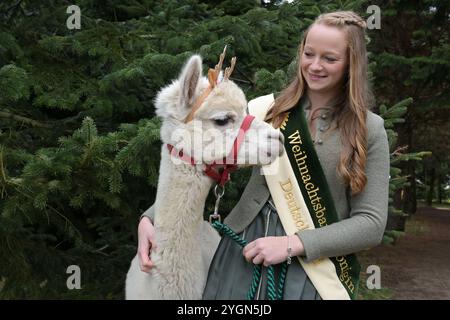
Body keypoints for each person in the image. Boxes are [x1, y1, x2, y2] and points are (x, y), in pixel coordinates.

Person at [137, 10, 389, 300]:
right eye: (309, 54)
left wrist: (292, 244)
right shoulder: (262, 111)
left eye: (329, 58)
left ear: (350, 64)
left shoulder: (368, 129)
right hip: (239, 257)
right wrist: (151, 219)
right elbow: (196, 160)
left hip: (311, 273)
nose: (315, 65)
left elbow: (370, 224)